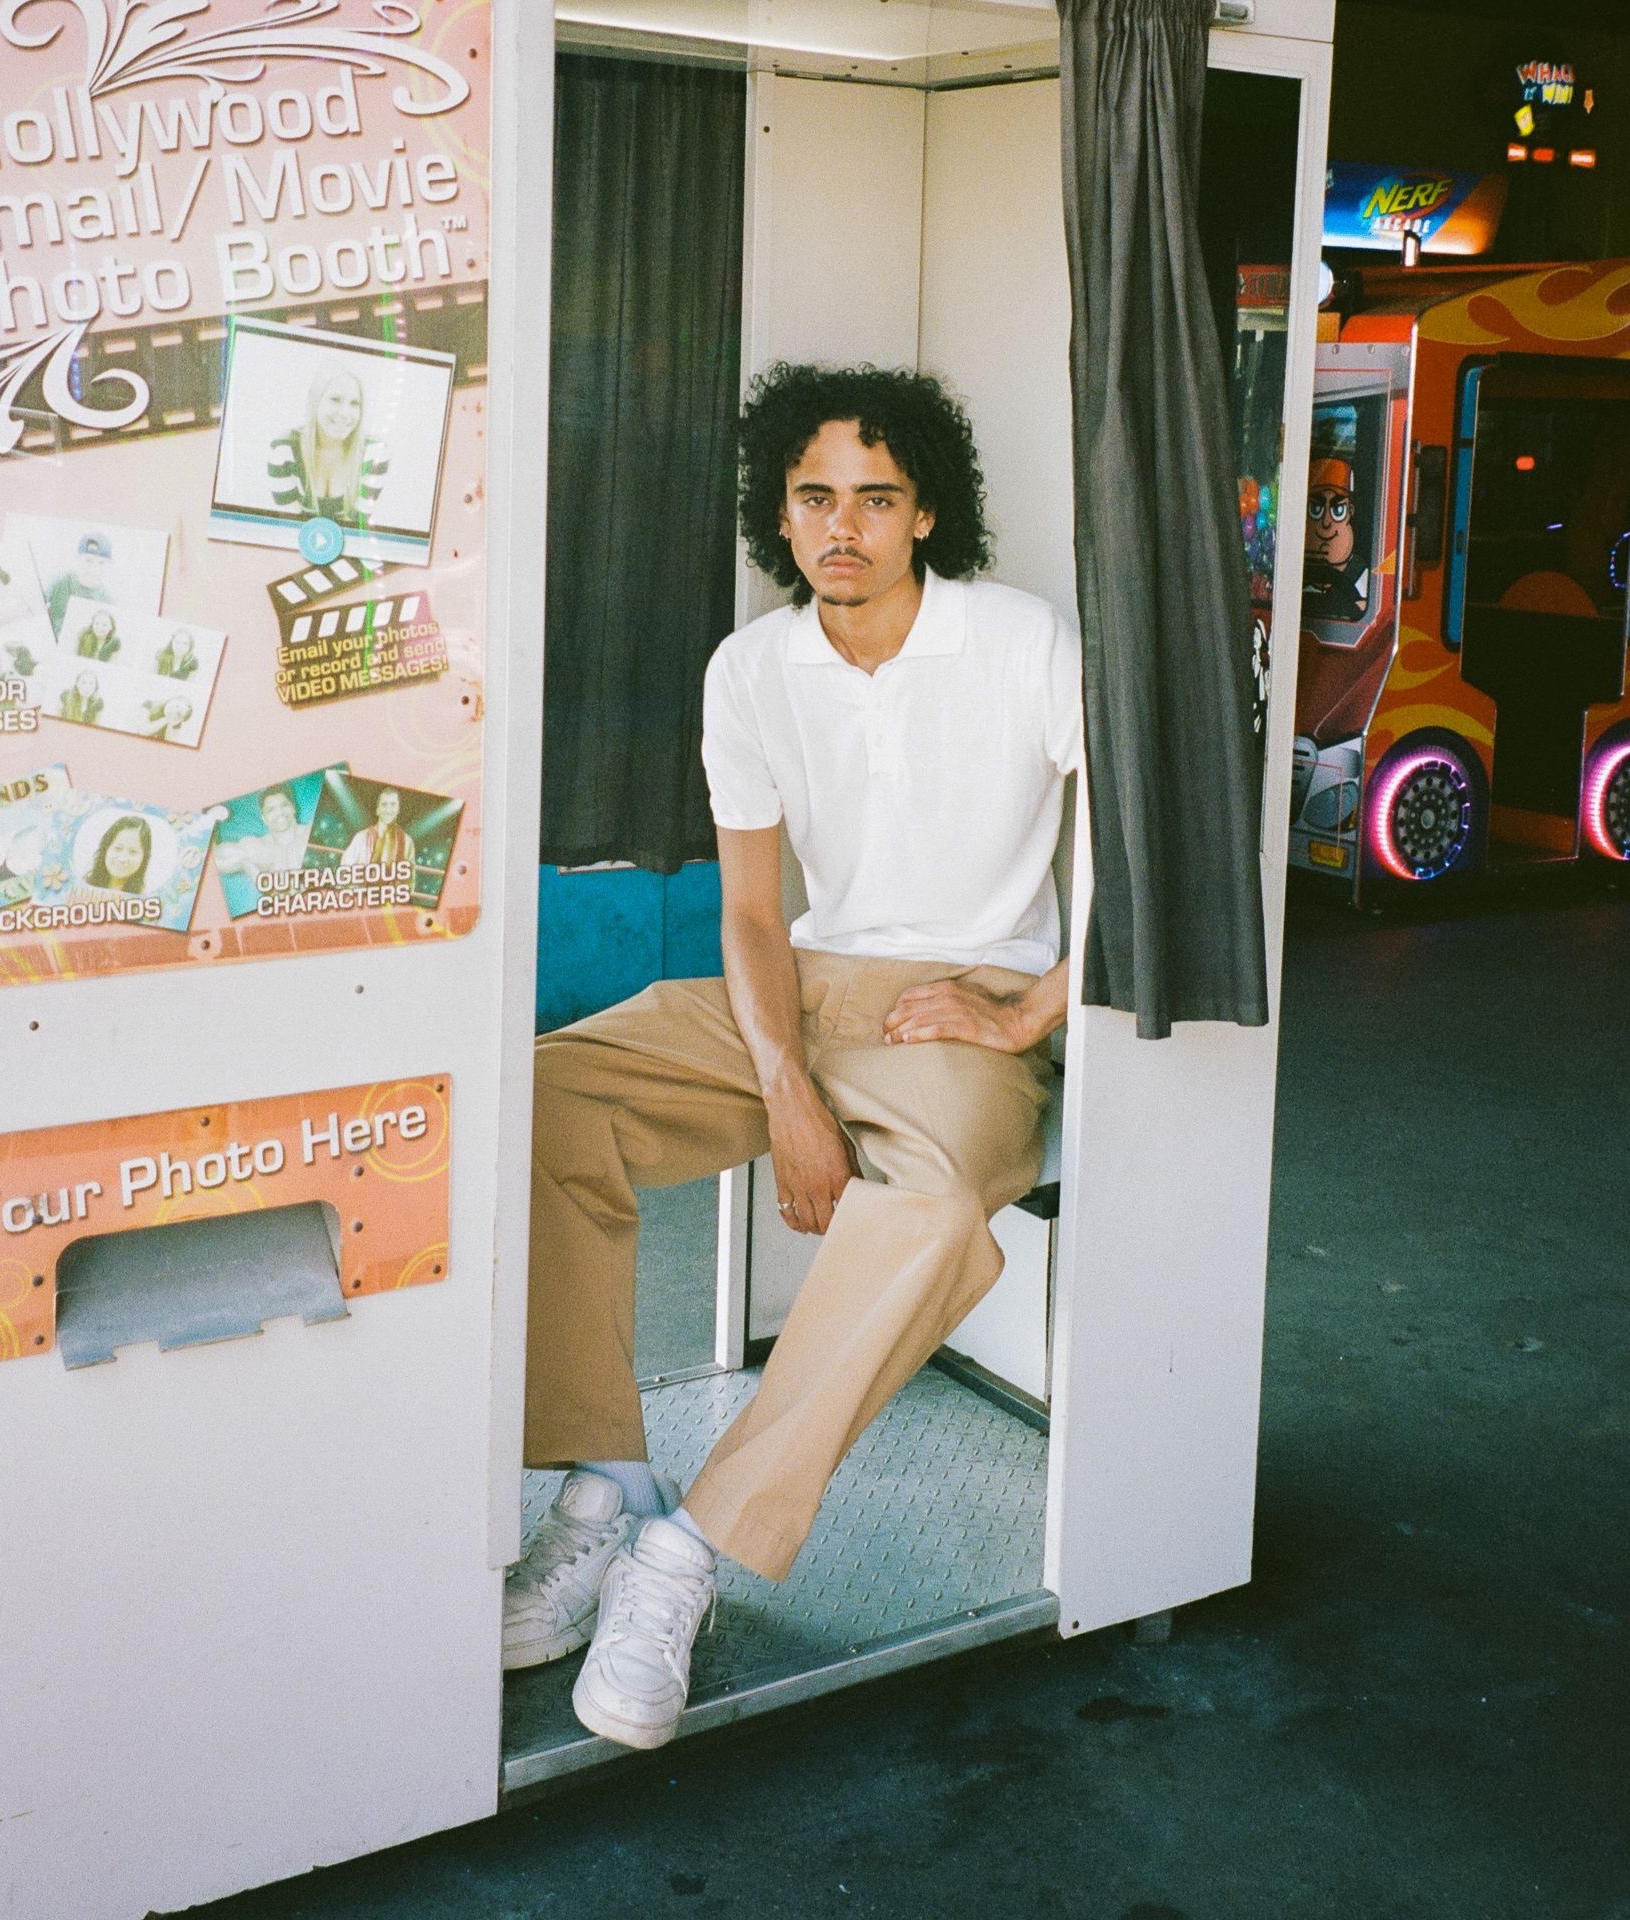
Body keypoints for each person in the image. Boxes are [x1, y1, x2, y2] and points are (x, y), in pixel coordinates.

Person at [505, 364, 1080, 1752]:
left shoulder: (1018, 639)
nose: (845, 527)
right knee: (547, 1092)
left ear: (926, 513)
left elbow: (1153, 845)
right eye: (817, 496)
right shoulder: (752, 666)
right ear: (780, 512)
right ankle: (608, 1493)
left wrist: (1026, 1015)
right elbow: (753, 913)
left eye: (877, 499)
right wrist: (787, 1090)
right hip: (806, 985)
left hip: (962, 1000)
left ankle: (691, 1551)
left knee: (934, 1213)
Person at [268, 365, 389, 526]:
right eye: (335, 400)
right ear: (314, 400)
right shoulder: (284, 451)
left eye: (354, 403)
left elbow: (357, 530)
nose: (345, 413)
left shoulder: (375, 454)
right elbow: (291, 527)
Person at [1302, 452, 1369, 624]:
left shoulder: (1364, 578)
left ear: (1351, 513)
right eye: (1315, 510)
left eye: (1337, 511)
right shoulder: (1295, 575)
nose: (1326, 522)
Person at [215, 784, 311, 886]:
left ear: (293, 808)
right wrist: (246, 864)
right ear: (264, 818)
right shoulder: (256, 847)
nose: (279, 812)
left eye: (284, 805)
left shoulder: (310, 833)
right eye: (271, 810)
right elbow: (216, 859)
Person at [44, 532, 113, 633]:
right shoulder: (60, 581)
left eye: (101, 562)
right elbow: (36, 608)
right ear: (78, 559)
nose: (94, 568)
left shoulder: (107, 600)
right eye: (88, 560)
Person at [340, 786, 416, 868]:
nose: (388, 810)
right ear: (377, 810)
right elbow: (345, 868)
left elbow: (409, 878)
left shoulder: (407, 842)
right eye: (384, 805)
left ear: (398, 809)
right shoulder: (361, 838)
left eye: (393, 805)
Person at [85, 814, 153, 893]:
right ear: (106, 848)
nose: (122, 858)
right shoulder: (82, 885)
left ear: (144, 858)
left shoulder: (146, 901)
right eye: (118, 848)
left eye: (133, 852)